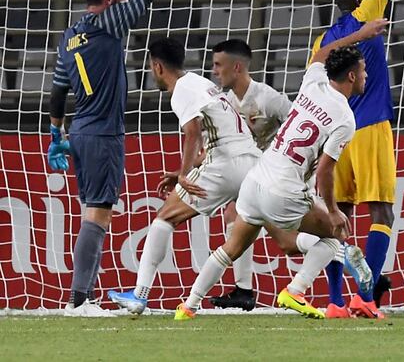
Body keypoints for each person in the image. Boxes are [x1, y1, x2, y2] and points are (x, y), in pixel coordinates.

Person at [47, 0, 209, 317]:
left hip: (80, 131)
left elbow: (57, 92)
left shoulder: (69, 36)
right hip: (102, 134)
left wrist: (56, 134)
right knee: (98, 215)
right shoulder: (109, 23)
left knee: (93, 211)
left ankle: (82, 296)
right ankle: (80, 300)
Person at [174, 20, 388, 321]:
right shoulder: (345, 118)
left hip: (256, 180)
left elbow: (323, 52)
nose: (367, 75)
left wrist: (361, 35)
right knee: (334, 236)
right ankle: (297, 289)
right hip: (284, 190)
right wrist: (334, 210)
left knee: (230, 248)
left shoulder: (314, 81)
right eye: (364, 70)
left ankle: (188, 306)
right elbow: (326, 171)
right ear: (352, 76)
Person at [310, 0, 404, 319]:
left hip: (336, 135)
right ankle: (366, 297)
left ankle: (334, 302)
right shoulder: (366, 13)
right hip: (370, 127)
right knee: (382, 210)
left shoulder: (323, 39)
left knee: (339, 214)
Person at [107, 37, 263, 314]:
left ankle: (139, 294)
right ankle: (334, 252)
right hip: (252, 161)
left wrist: (185, 174)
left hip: (225, 164)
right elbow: (222, 128)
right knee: (276, 230)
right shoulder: (202, 83)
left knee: (164, 218)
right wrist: (183, 170)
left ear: (156, 67)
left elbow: (192, 131)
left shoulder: (181, 90)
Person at [207, 39, 292, 310]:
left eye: (218, 65)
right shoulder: (224, 102)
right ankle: (243, 290)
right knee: (234, 214)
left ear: (237, 67)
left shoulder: (268, 98)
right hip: (249, 174)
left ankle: (340, 253)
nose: (214, 71)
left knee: (291, 239)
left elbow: (299, 125)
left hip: (277, 173)